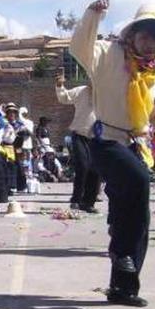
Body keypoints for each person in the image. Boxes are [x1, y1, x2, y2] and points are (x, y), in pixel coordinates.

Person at [70, 0, 155, 307]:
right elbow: (80, 47)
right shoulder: (108, 54)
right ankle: (121, 252)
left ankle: (124, 287)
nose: (151, 42)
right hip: (106, 141)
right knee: (138, 182)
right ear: (132, 34)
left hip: (137, 145)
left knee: (137, 214)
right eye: (145, 34)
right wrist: (92, 16)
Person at [55, 72, 101, 213]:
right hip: (80, 135)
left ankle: (89, 202)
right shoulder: (81, 91)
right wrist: (59, 85)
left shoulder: (107, 94)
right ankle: (76, 199)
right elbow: (64, 98)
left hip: (98, 137)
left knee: (95, 170)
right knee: (82, 166)